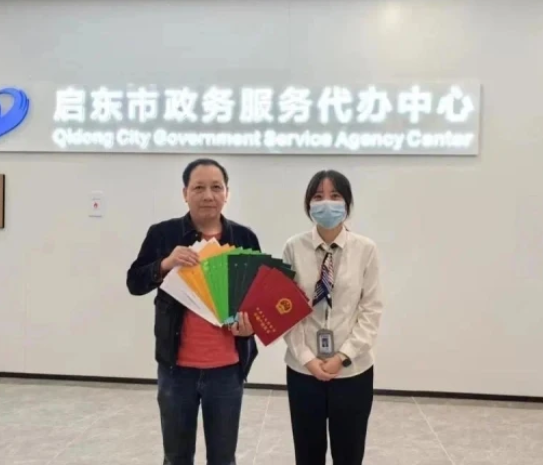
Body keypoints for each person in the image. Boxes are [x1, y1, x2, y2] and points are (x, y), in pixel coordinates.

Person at [126, 158, 260, 465]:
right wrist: (165, 264)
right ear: (185, 193)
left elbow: (256, 298)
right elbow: (135, 282)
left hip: (227, 369)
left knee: (223, 458)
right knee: (176, 457)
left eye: (216, 187)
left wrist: (251, 325)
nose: (208, 195)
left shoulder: (244, 238)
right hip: (176, 370)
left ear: (227, 193)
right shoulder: (163, 234)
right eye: (198, 188)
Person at [281, 169, 384, 465]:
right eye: (318, 196)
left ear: (347, 204)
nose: (326, 203)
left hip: (352, 371)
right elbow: (284, 310)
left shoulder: (366, 249)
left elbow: (371, 309)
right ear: (308, 204)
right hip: (303, 371)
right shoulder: (293, 247)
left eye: (335, 196)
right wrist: (307, 358)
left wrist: (343, 356)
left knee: (349, 454)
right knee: (307, 454)